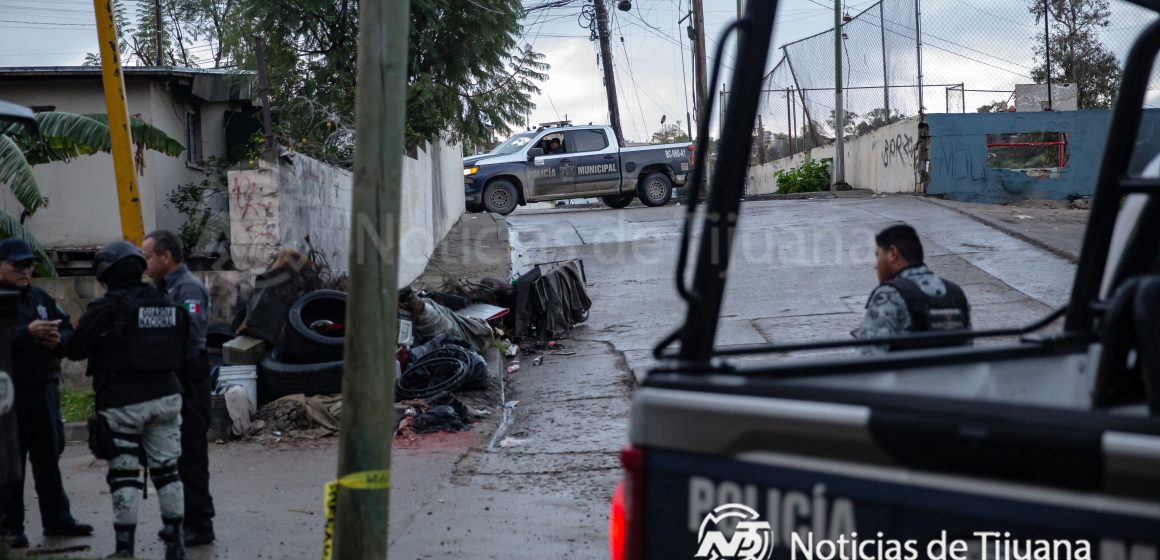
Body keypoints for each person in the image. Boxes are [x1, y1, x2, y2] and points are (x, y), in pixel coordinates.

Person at [68, 240, 190, 559]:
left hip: (122, 402)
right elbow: (186, 344)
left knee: (123, 474)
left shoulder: (105, 307)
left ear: (105, 274)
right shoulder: (166, 302)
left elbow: (75, 348)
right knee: (168, 471)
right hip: (167, 397)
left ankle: (125, 550)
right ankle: (176, 545)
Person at [0, 239, 92, 549]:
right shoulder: (2, 301)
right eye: (17, 265)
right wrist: (27, 334)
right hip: (11, 395)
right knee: (11, 462)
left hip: (45, 389)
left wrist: (58, 339)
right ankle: (9, 526)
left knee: (49, 456)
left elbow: (67, 329)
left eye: (28, 265)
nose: (25, 271)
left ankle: (57, 519)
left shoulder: (39, 297)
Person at [142, 230, 215, 546]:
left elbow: (189, 333)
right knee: (171, 456)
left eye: (148, 257)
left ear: (166, 257)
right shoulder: (160, 289)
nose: (145, 264)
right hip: (170, 383)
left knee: (192, 457)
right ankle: (181, 519)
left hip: (189, 382)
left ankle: (200, 525)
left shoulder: (187, 288)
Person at [852, 224, 971, 354]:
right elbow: (967, 353)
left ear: (892, 253)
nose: (876, 265)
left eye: (878, 255)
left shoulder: (889, 295)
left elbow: (867, 359)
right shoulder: (956, 294)